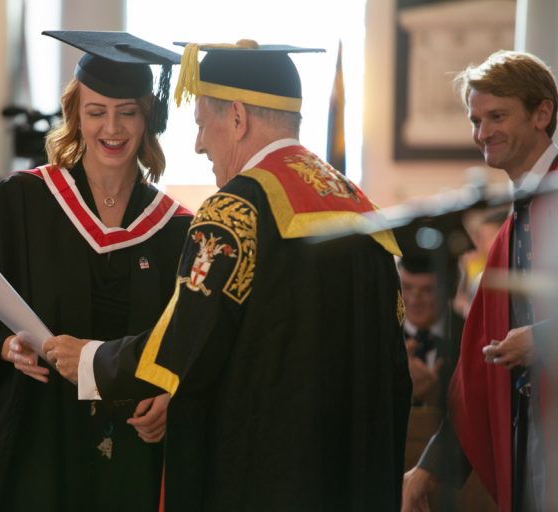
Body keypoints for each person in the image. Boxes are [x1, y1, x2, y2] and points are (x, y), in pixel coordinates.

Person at [32, 39, 412, 511]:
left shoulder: (235, 209)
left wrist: (92, 361)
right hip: (351, 477)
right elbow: (395, 371)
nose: (197, 143)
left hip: (266, 477)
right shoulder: (361, 209)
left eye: (201, 124)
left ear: (237, 117)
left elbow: (190, 339)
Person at [0, 31, 191, 512]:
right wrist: (4, 344)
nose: (111, 128)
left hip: (129, 447)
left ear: (148, 119)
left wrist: (169, 400)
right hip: (38, 435)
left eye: (127, 112)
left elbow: (187, 340)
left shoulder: (175, 230)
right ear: (76, 115)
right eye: (96, 111)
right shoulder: (22, 203)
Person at [402, 50, 558, 512]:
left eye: (497, 116)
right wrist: (431, 467)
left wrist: (543, 339)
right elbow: (475, 373)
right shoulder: (516, 223)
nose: (482, 132)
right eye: (475, 119)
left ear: (541, 113)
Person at [399, 255, 464, 406]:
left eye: (428, 290)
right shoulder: (380, 336)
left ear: (451, 289)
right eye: (406, 287)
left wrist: (437, 395)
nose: (414, 300)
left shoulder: (471, 337)